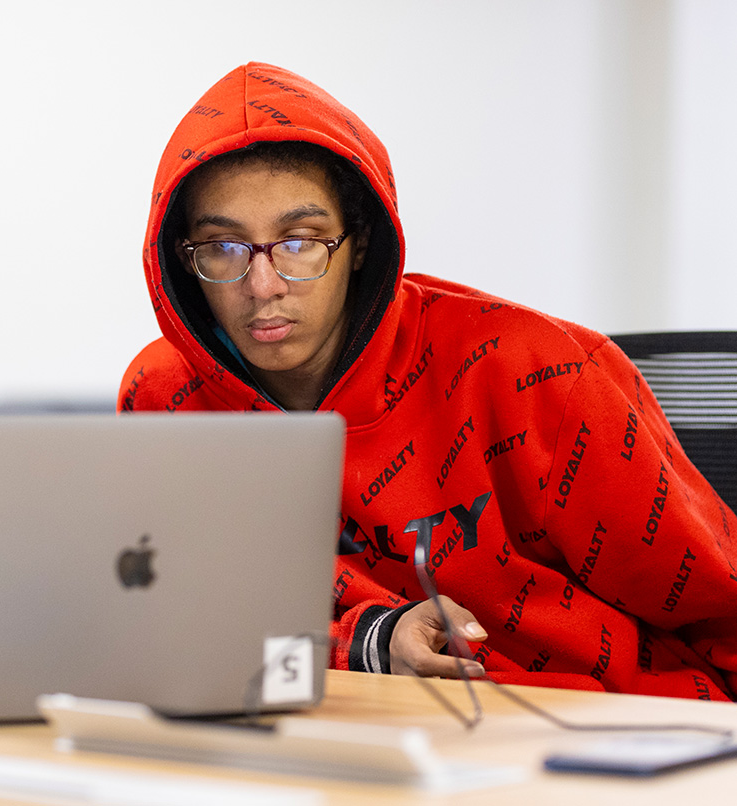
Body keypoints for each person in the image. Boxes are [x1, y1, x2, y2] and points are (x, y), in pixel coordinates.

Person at [120, 62, 737, 700]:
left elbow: (722, 607)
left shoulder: (539, 375)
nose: (264, 285)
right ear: (181, 260)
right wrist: (367, 643)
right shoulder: (165, 398)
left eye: (301, 241)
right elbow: (185, 624)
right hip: (335, 736)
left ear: (358, 243)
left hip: (597, 735)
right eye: (223, 247)